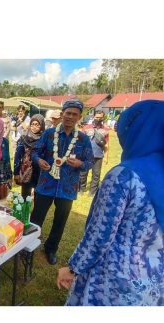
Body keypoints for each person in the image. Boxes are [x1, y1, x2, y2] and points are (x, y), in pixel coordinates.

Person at [57, 100, 164, 305]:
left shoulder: (125, 176)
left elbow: (100, 235)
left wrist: (72, 269)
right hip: (154, 285)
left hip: (114, 283)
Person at [30, 100, 94, 265]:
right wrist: (39, 161)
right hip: (45, 184)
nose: (70, 117)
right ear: (62, 114)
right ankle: (29, 246)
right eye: (68, 113)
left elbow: (90, 161)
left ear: (80, 117)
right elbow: (35, 152)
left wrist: (80, 164)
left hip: (67, 188)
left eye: (74, 114)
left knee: (60, 221)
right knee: (36, 217)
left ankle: (51, 249)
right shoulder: (49, 134)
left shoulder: (83, 139)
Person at [14, 114, 45, 199]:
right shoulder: (24, 137)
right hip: (26, 171)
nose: (34, 127)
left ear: (42, 125)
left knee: (38, 197)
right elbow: (17, 155)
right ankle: (24, 211)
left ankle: (35, 212)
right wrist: (16, 173)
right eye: (32, 124)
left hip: (39, 171)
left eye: (37, 125)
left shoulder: (44, 138)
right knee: (24, 196)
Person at [79, 110, 110, 196]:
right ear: (93, 117)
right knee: (83, 173)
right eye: (97, 117)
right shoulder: (86, 128)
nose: (98, 119)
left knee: (96, 175)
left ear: (103, 118)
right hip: (85, 155)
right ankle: (81, 189)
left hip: (98, 155)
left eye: (100, 118)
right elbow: (80, 141)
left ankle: (92, 192)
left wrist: (106, 157)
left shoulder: (106, 130)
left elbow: (106, 145)